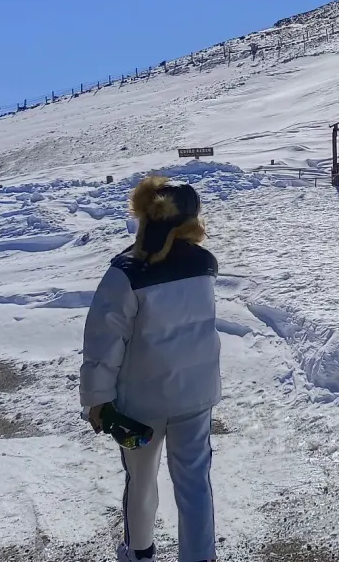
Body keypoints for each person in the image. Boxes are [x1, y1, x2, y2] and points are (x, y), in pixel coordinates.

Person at [81, 176, 221, 562]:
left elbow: (102, 344)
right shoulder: (204, 268)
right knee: (194, 483)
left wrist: (97, 400)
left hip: (140, 403)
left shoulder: (125, 273)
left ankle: (139, 553)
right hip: (194, 396)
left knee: (140, 480)